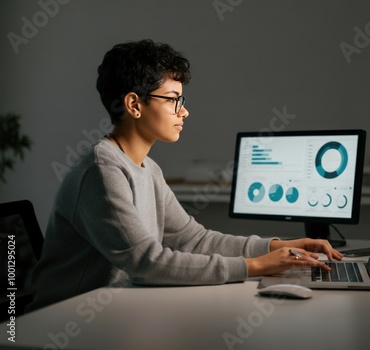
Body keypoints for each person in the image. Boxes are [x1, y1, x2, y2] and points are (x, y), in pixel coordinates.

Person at [26, 39, 343, 312]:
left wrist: (274, 246)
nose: (184, 111)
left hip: (115, 312)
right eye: (173, 99)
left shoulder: (148, 169)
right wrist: (254, 266)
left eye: (182, 100)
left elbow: (194, 240)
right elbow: (146, 263)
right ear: (134, 105)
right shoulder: (102, 171)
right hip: (62, 323)